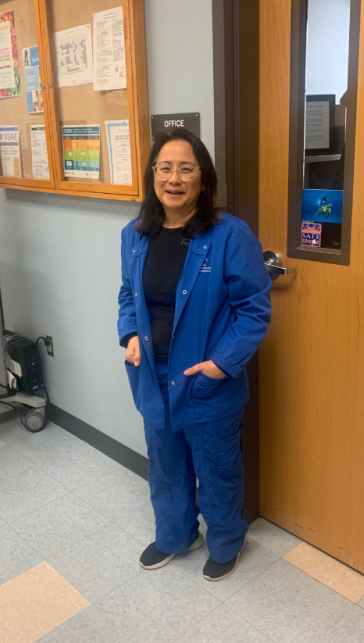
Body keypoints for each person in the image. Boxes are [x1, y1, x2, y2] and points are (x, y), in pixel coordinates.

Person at [117, 128, 272, 581]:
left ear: (203, 180)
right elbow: (128, 295)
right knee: (165, 466)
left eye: (186, 168)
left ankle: (226, 540)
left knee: (216, 468)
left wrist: (222, 364)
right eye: (165, 168)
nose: (174, 178)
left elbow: (254, 309)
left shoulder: (228, 235)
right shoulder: (134, 234)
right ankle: (175, 535)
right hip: (153, 375)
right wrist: (129, 335)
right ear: (152, 175)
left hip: (206, 379)